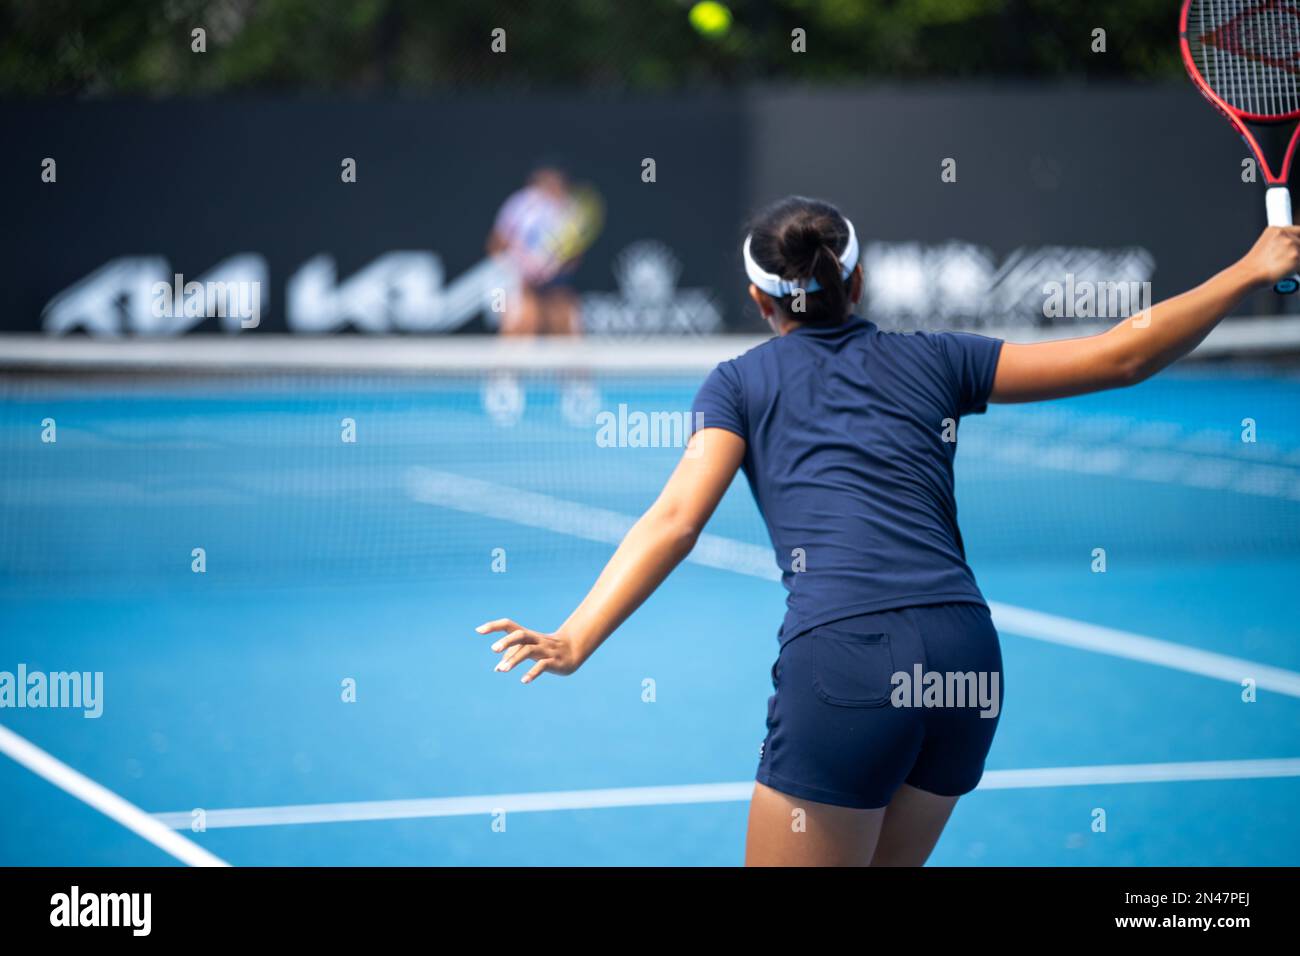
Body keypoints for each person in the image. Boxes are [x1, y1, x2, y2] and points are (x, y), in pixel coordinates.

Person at [475, 196, 1300, 866]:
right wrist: (1251, 269)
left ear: (760, 299)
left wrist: (578, 635)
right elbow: (1123, 354)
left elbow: (677, 520)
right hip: (966, 661)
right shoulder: (938, 358)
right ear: (857, 281)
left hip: (847, 664)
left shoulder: (737, 384)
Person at [486, 166, 588, 337]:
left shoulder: (571, 211)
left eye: (556, 183)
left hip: (554, 285)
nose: (551, 188)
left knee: (567, 323)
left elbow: (575, 257)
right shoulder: (518, 205)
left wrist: (552, 271)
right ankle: (504, 363)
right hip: (513, 283)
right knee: (523, 320)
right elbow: (494, 246)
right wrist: (519, 272)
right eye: (545, 182)